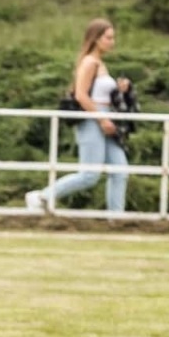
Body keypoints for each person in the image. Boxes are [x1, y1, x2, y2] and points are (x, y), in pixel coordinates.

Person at [27, 18, 133, 213]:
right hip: (93, 119)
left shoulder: (100, 63)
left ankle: (116, 217)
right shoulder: (90, 63)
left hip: (104, 117)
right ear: (96, 39)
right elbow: (81, 95)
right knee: (89, 175)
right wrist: (101, 119)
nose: (112, 42)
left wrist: (120, 90)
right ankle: (42, 196)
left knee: (119, 170)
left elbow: (99, 94)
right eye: (108, 38)